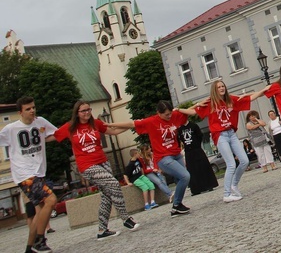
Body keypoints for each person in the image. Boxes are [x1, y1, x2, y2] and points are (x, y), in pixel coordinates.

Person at [53, 100, 139, 240]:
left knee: (106, 196)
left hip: (103, 161)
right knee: (113, 184)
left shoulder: (95, 123)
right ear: (77, 113)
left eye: (89, 110)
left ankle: (102, 230)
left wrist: (131, 125)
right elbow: (53, 136)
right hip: (86, 165)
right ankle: (125, 218)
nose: (87, 113)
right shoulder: (70, 127)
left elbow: (114, 131)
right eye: (83, 111)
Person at [179, 80, 268, 203]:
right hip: (220, 135)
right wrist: (178, 109)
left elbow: (250, 98)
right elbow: (193, 112)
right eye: (219, 87)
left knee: (244, 160)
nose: (221, 88)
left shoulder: (231, 100)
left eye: (223, 86)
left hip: (231, 133)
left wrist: (263, 90)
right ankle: (226, 194)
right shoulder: (210, 103)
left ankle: (234, 185)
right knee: (231, 164)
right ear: (214, 90)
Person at [107, 101, 192, 216]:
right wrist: (110, 124)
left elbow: (192, 110)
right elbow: (132, 124)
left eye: (170, 113)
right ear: (159, 113)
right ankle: (176, 204)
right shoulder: (151, 121)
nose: (169, 116)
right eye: (166, 114)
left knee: (183, 179)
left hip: (176, 154)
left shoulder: (174, 115)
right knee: (185, 176)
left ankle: (176, 206)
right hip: (163, 158)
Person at [0, 97, 57, 253]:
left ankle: (29, 249)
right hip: (24, 174)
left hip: (38, 172)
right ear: (20, 112)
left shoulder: (41, 122)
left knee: (40, 212)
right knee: (51, 199)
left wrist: (66, 133)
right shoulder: (11, 129)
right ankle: (41, 241)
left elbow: (54, 134)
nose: (32, 110)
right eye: (28, 109)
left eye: (33, 107)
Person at [177, 119, 218, 196]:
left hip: (197, 149)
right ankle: (196, 189)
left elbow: (200, 136)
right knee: (192, 170)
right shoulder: (180, 129)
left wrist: (196, 145)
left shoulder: (194, 125)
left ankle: (208, 185)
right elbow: (180, 139)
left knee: (203, 167)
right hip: (188, 151)